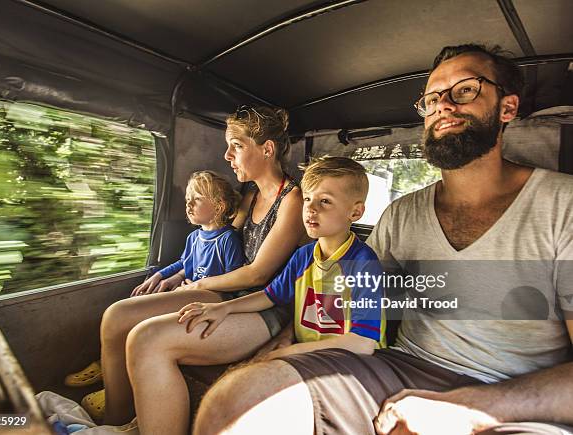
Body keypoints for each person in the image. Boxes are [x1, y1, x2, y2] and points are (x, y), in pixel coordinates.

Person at [192, 44, 573, 435]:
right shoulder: (401, 215)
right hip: (398, 369)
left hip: (519, 399)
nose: (442, 105)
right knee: (236, 402)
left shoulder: (563, 207)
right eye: (431, 98)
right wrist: (283, 342)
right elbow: (356, 305)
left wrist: (474, 407)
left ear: (507, 108)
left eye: (465, 91)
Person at [83, 106, 305, 431]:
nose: (227, 155)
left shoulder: (293, 200)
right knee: (116, 316)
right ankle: (116, 424)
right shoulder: (250, 193)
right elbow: (219, 238)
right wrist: (176, 275)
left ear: (267, 149)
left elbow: (258, 274)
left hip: (264, 308)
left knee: (146, 338)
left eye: (237, 145)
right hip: (226, 293)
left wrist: (198, 286)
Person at [178, 156, 386, 357]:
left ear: (356, 212)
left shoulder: (363, 263)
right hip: (309, 351)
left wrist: (288, 352)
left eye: (325, 201)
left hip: (349, 359)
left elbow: (362, 342)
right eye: (307, 199)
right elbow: (270, 295)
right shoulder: (304, 256)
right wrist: (223, 308)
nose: (310, 209)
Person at [66, 170, 244, 389]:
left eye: (196, 199)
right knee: (140, 303)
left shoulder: (227, 239)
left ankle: (114, 375)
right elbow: (184, 263)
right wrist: (161, 275)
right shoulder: (194, 237)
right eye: (187, 199)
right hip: (186, 291)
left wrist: (198, 287)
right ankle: (107, 366)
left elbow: (235, 279)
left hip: (207, 299)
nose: (188, 205)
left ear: (219, 206)